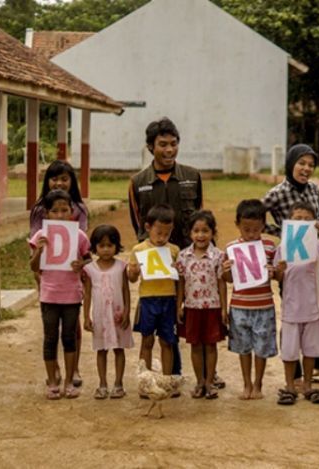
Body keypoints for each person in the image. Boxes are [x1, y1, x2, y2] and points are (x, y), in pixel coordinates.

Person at [128, 117, 204, 381]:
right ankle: (166, 375)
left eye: (174, 144)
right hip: (157, 269)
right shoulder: (138, 182)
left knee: (193, 315)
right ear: (151, 147)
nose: (169, 150)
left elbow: (198, 220)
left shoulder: (192, 177)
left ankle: (204, 374)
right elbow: (139, 225)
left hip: (188, 262)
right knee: (160, 324)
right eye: (163, 145)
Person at [263, 144, 319, 382]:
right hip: (291, 265)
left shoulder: (316, 191)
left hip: (315, 262)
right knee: (293, 315)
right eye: (301, 163)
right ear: (291, 163)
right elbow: (257, 215)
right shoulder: (277, 193)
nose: (306, 168)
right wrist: (281, 231)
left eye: (311, 165)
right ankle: (296, 373)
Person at [29, 159, 89, 389]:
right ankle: (53, 372)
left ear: (72, 181)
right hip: (48, 276)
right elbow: (34, 245)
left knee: (72, 330)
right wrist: (39, 272)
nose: (59, 182)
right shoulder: (39, 209)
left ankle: (73, 371)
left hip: (71, 276)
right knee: (50, 332)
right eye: (54, 178)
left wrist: (80, 266)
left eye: (65, 178)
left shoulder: (80, 209)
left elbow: (81, 243)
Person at [274, 201, 319, 405]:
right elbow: (277, 277)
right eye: (297, 219)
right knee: (290, 350)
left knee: (311, 349)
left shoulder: (317, 245)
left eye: (307, 219)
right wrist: (280, 269)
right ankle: (290, 385)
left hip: (313, 306)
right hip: (291, 307)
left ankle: (308, 384)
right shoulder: (283, 246)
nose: (302, 222)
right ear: (290, 221)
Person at [222, 199, 278, 400]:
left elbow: (278, 275)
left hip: (263, 305)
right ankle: (246, 383)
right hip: (240, 306)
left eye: (256, 229)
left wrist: (274, 272)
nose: (252, 234)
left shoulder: (270, 247)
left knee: (261, 348)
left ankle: (258, 384)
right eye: (247, 229)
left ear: (263, 225)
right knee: (243, 348)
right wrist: (226, 271)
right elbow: (228, 280)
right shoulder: (231, 249)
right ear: (237, 224)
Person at [175, 211, 227, 400]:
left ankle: (209, 382)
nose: (200, 235)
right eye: (196, 231)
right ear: (190, 233)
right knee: (195, 346)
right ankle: (199, 382)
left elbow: (222, 282)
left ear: (213, 233)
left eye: (205, 230)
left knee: (211, 346)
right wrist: (179, 305)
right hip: (192, 307)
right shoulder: (183, 256)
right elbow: (181, 282)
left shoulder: (218, 256)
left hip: (212, 307)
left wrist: (224, 308)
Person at [128, 204, 180, 383]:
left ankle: (167, 380)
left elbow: (179, 279)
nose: (162, 238)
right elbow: (132, 279)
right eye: (159, 233)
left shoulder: (174, 250)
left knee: (167, 341)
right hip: (147, 300)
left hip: (168, 300)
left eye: (167, 234)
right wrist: (133, 270)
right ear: (148, 227)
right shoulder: (138, 250)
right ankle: (146, 380)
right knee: (147, 340)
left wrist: (178, 271)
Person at [82, 225, 134, 400]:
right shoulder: (90, 269)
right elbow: (87, 293)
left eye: (110, 245)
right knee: (101, 350)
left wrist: (127, 312)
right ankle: (102, 384)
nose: (105, 250)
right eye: (101, 245)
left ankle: (118, 384)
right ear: (94, 247)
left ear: (116, 246)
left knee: (119, 349)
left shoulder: (121, 267)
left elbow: (126, 290)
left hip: (118, 315)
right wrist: (86, 317)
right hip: (100, 316)